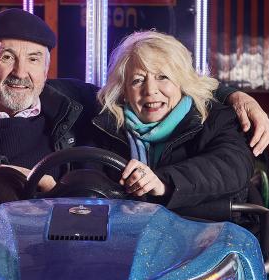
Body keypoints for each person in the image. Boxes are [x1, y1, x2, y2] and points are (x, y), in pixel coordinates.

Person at [0, 9, 269, 280]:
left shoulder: (76, 103)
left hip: (50, 254)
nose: (21, 72)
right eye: (7, 58)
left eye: (33, 59)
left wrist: (236, 95)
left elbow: (173, 87)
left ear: (47, 67)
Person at [90, 30, 254, 217]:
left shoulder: (216, 118)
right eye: (138, 80)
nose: (150, 90)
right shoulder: (104, 128)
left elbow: (232, 166)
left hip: (201, 233)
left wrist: (163, 183)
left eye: (162, 77)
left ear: (181, 82)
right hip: (125, 235)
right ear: (124, 92)